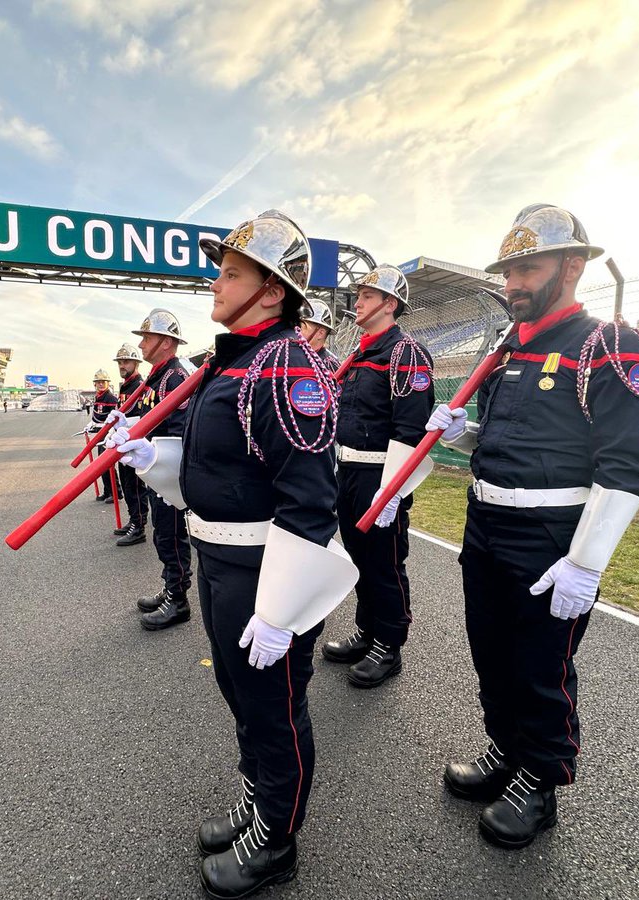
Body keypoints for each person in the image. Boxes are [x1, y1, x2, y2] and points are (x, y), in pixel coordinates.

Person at [108, 210, 357, 898]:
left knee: (274, 705)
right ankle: (258, 797)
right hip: (217, 556)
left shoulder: (288, 367)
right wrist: (154, 455)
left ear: (272, 290)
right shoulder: (236, 360)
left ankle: (277, 837)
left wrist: (281, 611)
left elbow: (309, 500)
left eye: (231, 274)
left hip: (262, 567)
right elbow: (219, 464)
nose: (215, 286)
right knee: (240, 696)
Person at [429, 204, 639, 849]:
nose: (513, 285)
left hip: (551, 536)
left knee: (540, 665)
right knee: (490, 652)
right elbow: (518, 440)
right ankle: (506, 752)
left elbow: (625, 464)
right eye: (509, 273)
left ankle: (541, 780)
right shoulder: (506, 350)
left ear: (573, 266)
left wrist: (585, 563)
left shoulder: (609, 344)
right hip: (485, 523)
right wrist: (461, 434)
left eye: (527, 269)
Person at [322, 264, 435, 689]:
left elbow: (411, 430)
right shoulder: (361, 353)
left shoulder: (404, 352)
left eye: (368, 296)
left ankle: (389, 644)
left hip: (378, 473)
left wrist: (392, 491)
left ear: (390, 304)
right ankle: (368, 631)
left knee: (385, 563)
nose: (359, 302)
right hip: (348, 470)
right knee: (360, 558)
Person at [118, 308, 195, 631]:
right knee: (163, 535)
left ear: (165, 342)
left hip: (167, 469)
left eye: (147, 337)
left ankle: (178, 600)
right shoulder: (158, 377)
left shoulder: (175, 377)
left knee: (171, 535)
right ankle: (169, 586)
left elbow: (177, 430)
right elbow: (154, 420)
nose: (143, 343)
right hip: (154, 466)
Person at [112, 343, 151, 546]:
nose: (122, 365)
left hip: (133, 444)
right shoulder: (126, 385)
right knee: (128, 486)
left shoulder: (138, 385)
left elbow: (141, 417)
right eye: (119, 362)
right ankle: (135, 520)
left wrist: (123, 428)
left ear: (136, 363)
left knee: (135, 487)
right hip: (124, 442)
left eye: (126, 361)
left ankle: (139, 526)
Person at [87, 370, 119, 503]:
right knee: (101, 465)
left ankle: (116, 492)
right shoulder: (98, 397)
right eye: (98, 382)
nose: (100, 385)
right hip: (101, 434)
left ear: (107, 383)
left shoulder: (110, 398)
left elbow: (114, 418)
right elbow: (97, 416)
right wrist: (91, 424)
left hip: (108, 434)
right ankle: (107, 491)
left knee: (107, 465)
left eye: (103, 382)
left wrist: (109, 431)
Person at [298, 299, 339, 370]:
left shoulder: (330, 365)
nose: (296, 331)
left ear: (320, 333)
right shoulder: (295, 356)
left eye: (302, 327)